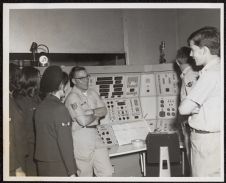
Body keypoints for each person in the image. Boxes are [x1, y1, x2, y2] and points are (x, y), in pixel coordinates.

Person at [178, 26, 221, 177]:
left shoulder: (210, 75)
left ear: (204, 50)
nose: (191, 54)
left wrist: (196, 107)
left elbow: (183, 109)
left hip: (206, 142)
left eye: (193, 49)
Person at [65, 66, 113, 177]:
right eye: (81, 78)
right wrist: (96, 113)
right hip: (81, 137)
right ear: (73, 81)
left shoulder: (92, 93)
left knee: (107, 172)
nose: (86, 80)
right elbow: (82, 121)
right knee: (85, 175)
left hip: (95, 134)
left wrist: (89, 112)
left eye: (87, 76)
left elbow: (104, 110)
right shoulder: (72, 97)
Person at [34, 65, 77, 176]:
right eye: (66, 85)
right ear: (61, 85)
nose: (67, 88)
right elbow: (65, 143)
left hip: (43, 163)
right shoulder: (60, 109)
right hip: (58, 164)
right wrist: (72, 171)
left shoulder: (40, 107)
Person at [13, 66, 41, 176]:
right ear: (31, 80)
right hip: (29, 148)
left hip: (38, 144)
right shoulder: (19, 100)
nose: (40, 80)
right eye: (38, 77)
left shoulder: (37, 98)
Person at [175, 46, 199, 171]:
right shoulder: (195, 73)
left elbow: (192, 102)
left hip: (190, 123)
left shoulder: (189, 76)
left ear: (178, 62)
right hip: (194, 123)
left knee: (193, 160)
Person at [9, 63, 27, 176]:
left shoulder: (11, 98)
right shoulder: (8, 101)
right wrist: (17, 166)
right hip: (15, 162)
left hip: (19, 157)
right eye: (19, 77)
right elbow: (9, 138)